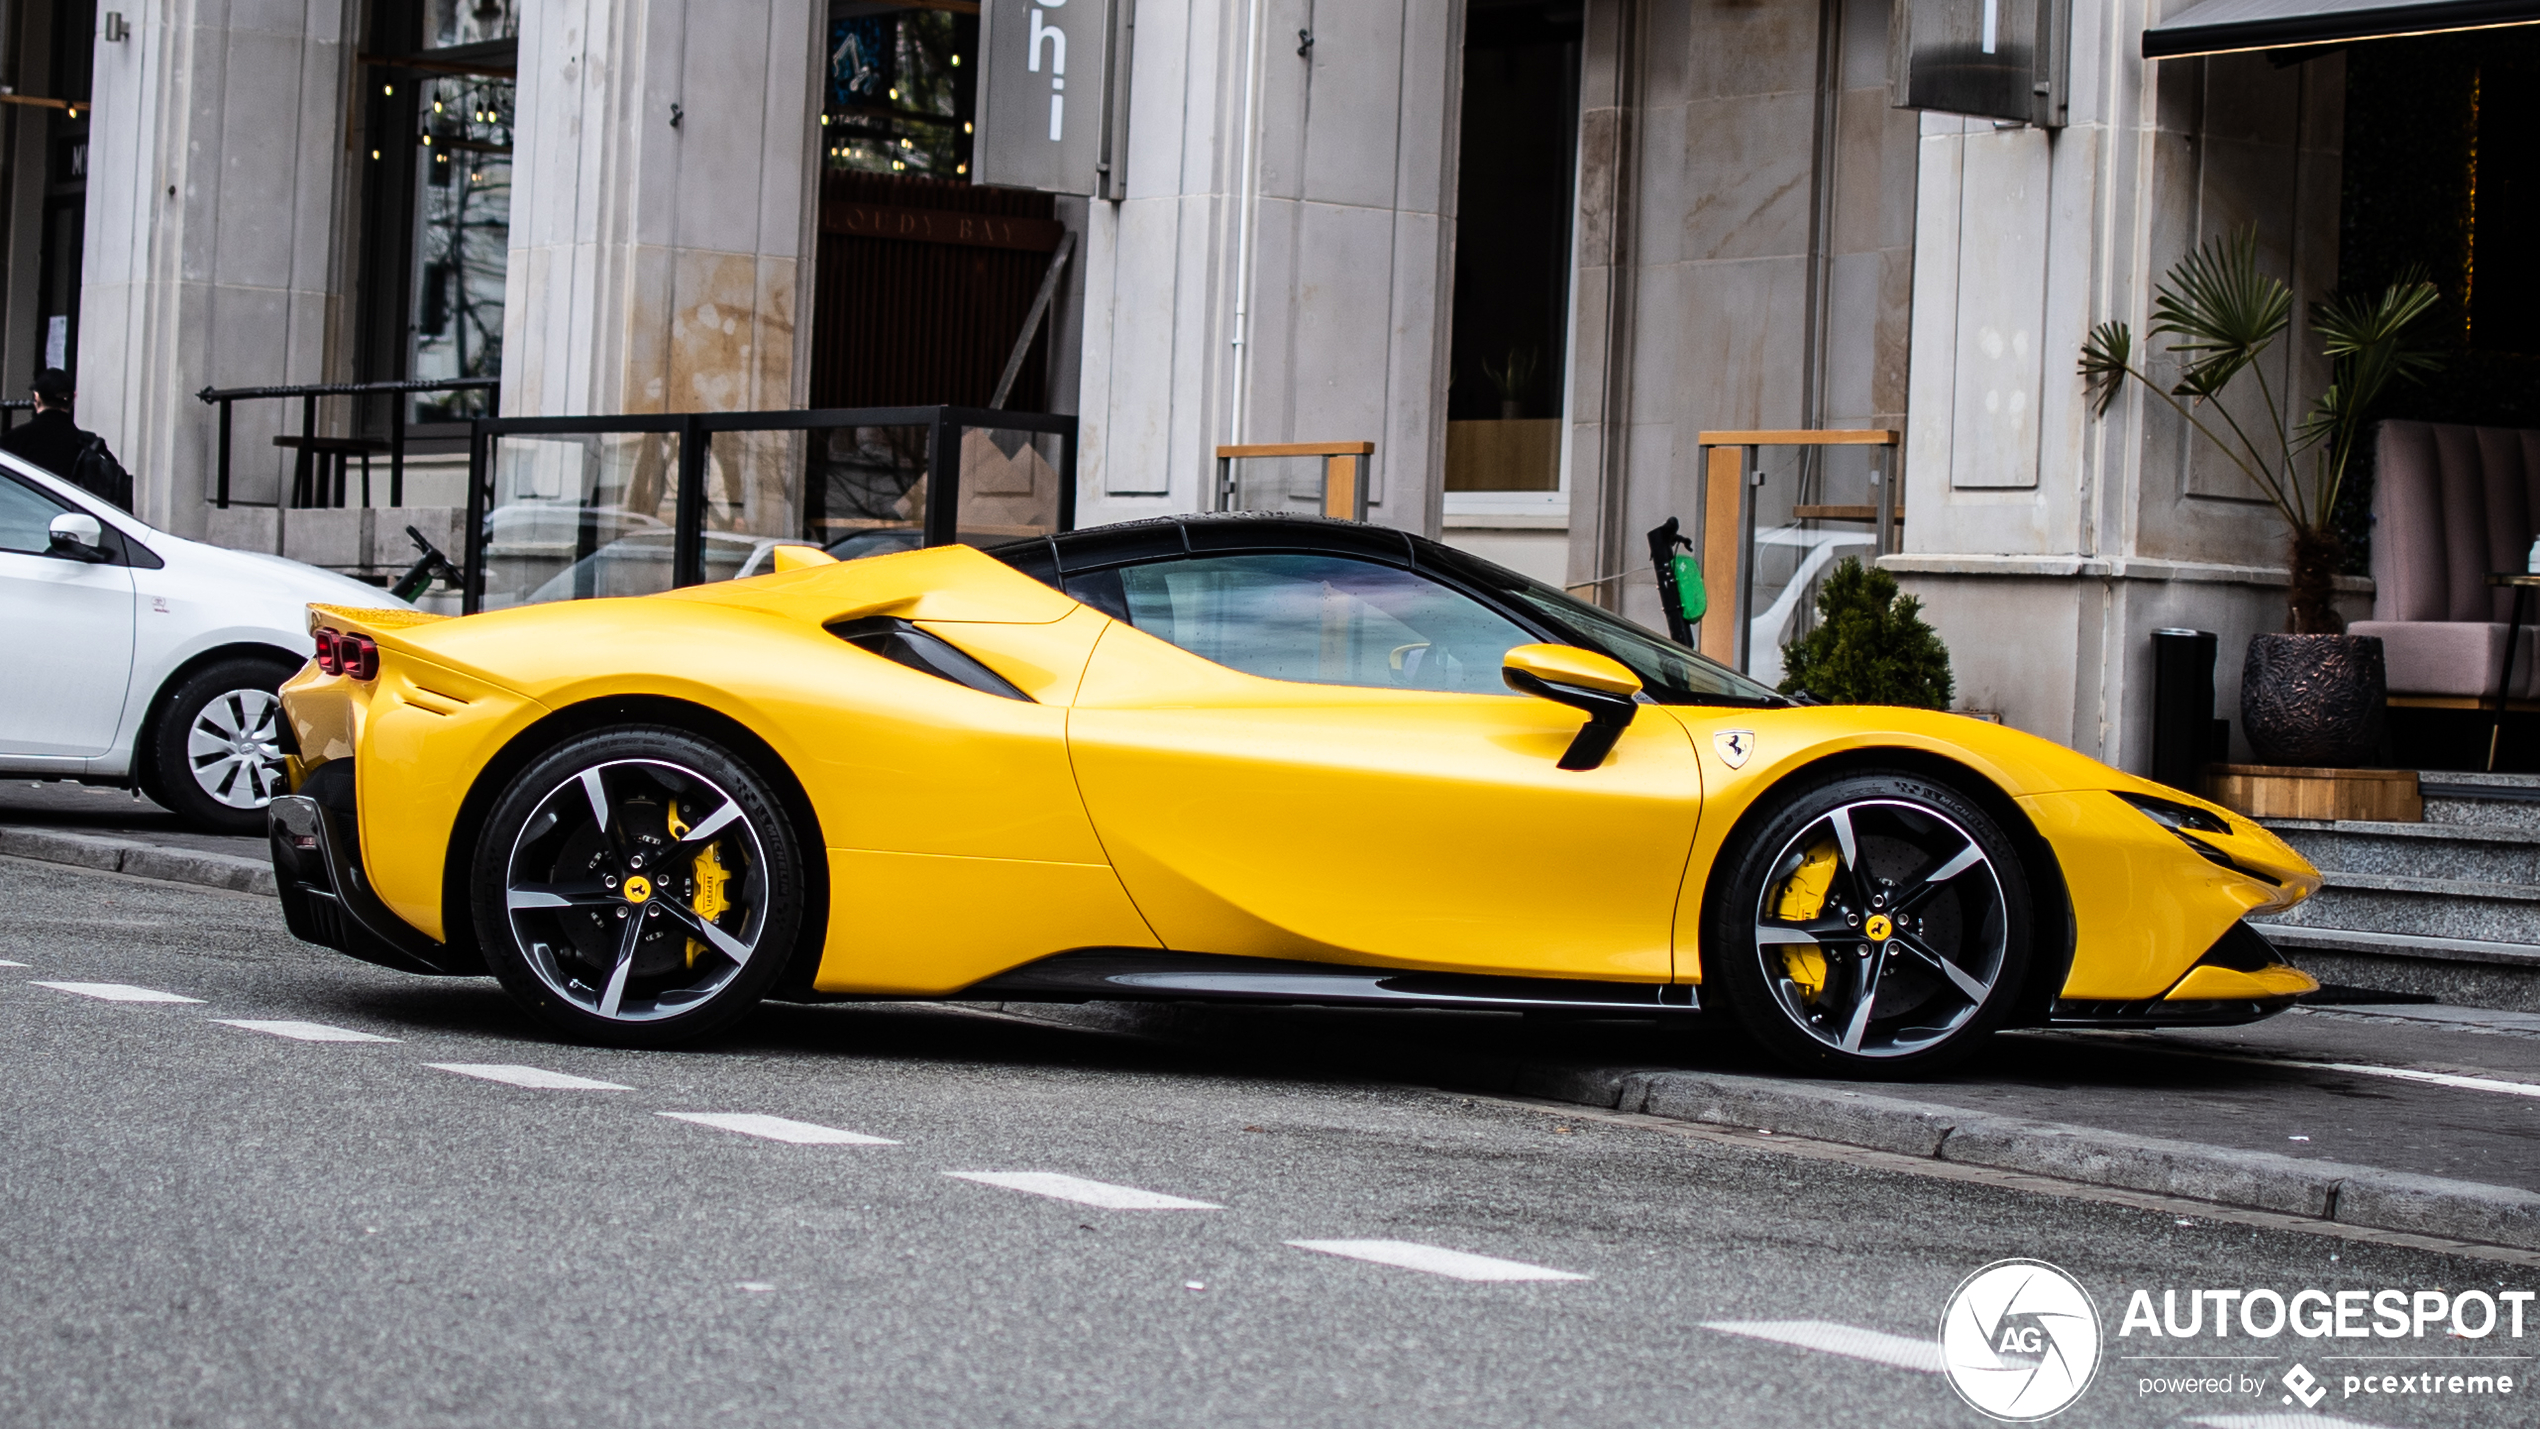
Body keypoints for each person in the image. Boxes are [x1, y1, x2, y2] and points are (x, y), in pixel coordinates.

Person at [1, 368, 129, 510]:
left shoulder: (13, 441)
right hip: (74, 524)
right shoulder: (89, 446)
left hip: (23, 522)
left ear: (36, 397)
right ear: (73, 398)